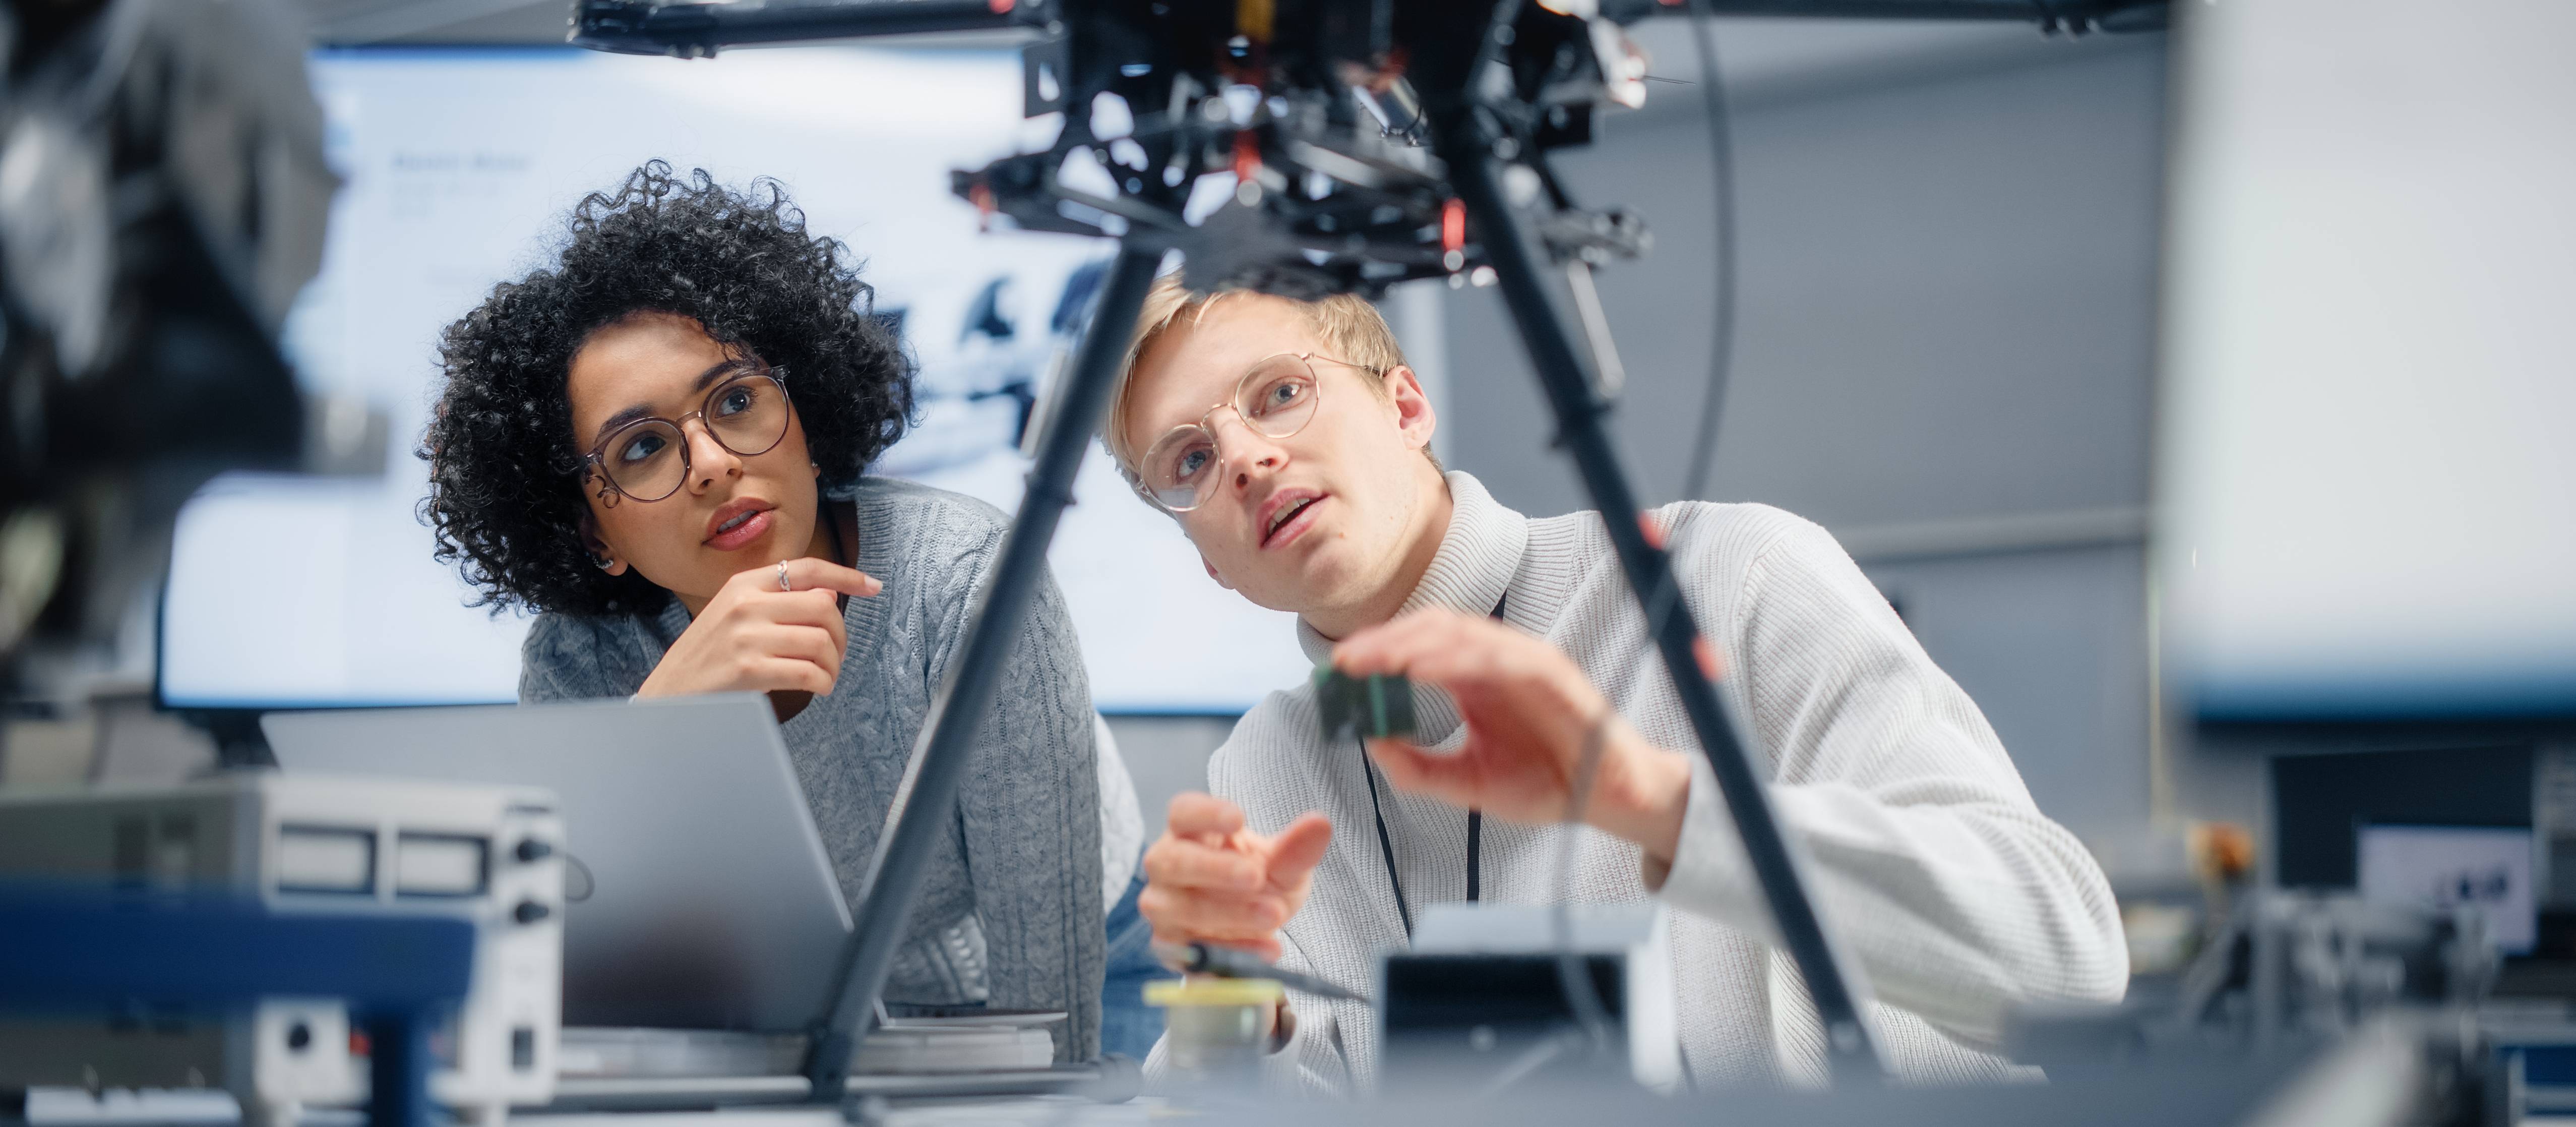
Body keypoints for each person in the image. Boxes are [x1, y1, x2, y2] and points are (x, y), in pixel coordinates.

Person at [1110, 276, 2127, 1092]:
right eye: (1189, 458)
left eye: (1280, 392)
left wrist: (1648, 801)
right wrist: (1234, 995)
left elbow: (2064, 950)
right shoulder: (1272, 758)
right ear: (1206, 559)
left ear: (1405, 403)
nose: (1244, 455)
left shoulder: (1730, 573)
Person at [422, 162, 1152, 1060]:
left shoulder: (964, 578)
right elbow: (579, 984)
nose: (714, 462)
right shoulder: (582, 664)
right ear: (591, 530)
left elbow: (1055, 1029)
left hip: (1092, 965)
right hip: (815, 1009)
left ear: (806, 419)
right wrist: (656, 729)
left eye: (735, 400)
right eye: (643, 446)